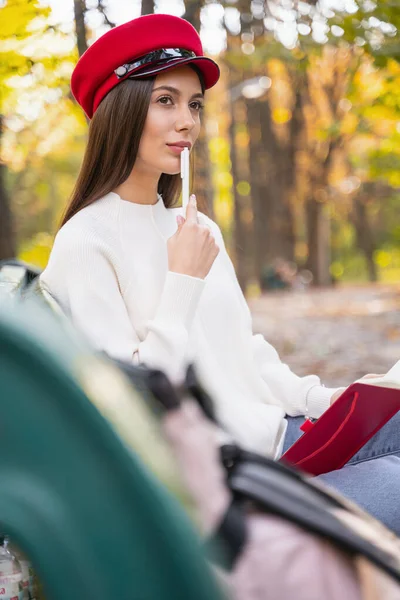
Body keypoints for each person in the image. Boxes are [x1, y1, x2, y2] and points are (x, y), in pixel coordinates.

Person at [40, 14, 400, 535]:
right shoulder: (85, 241)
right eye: (165, 100)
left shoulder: (195, 225)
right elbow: (132, 411)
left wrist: (325, 402)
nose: (187, 121)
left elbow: (243, 348)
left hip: (284, 439)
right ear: (117, 110)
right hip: (230, 484)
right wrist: (181, 282)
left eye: (193, 104)